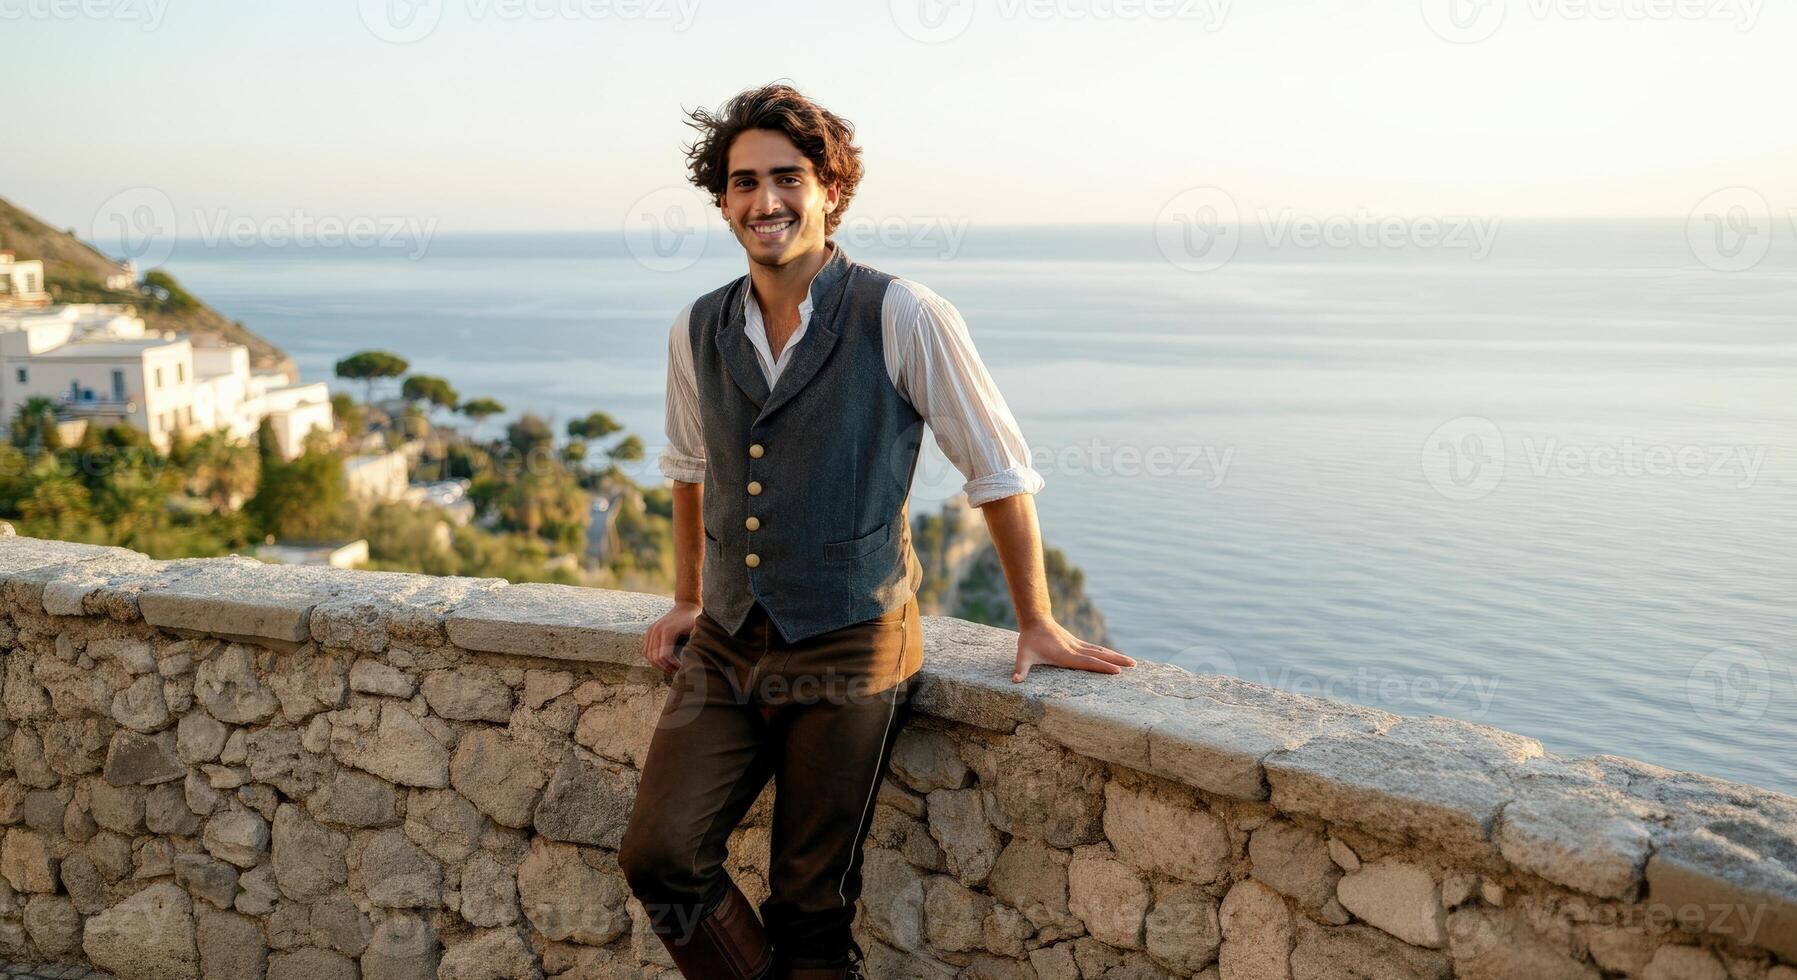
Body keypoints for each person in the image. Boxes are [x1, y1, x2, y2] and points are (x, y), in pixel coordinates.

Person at [619, 82, 1137, 979]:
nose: (765, 200)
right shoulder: (697, 326)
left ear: (830, 191)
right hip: (729, 643)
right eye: (744, 182)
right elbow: (689, 470)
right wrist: (686, 600)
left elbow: (998, 473)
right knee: (658, 856)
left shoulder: (902, 313)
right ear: (721, 200)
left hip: (854, 637)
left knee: (810, 900)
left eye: (788, 178)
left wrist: (1037, 622)